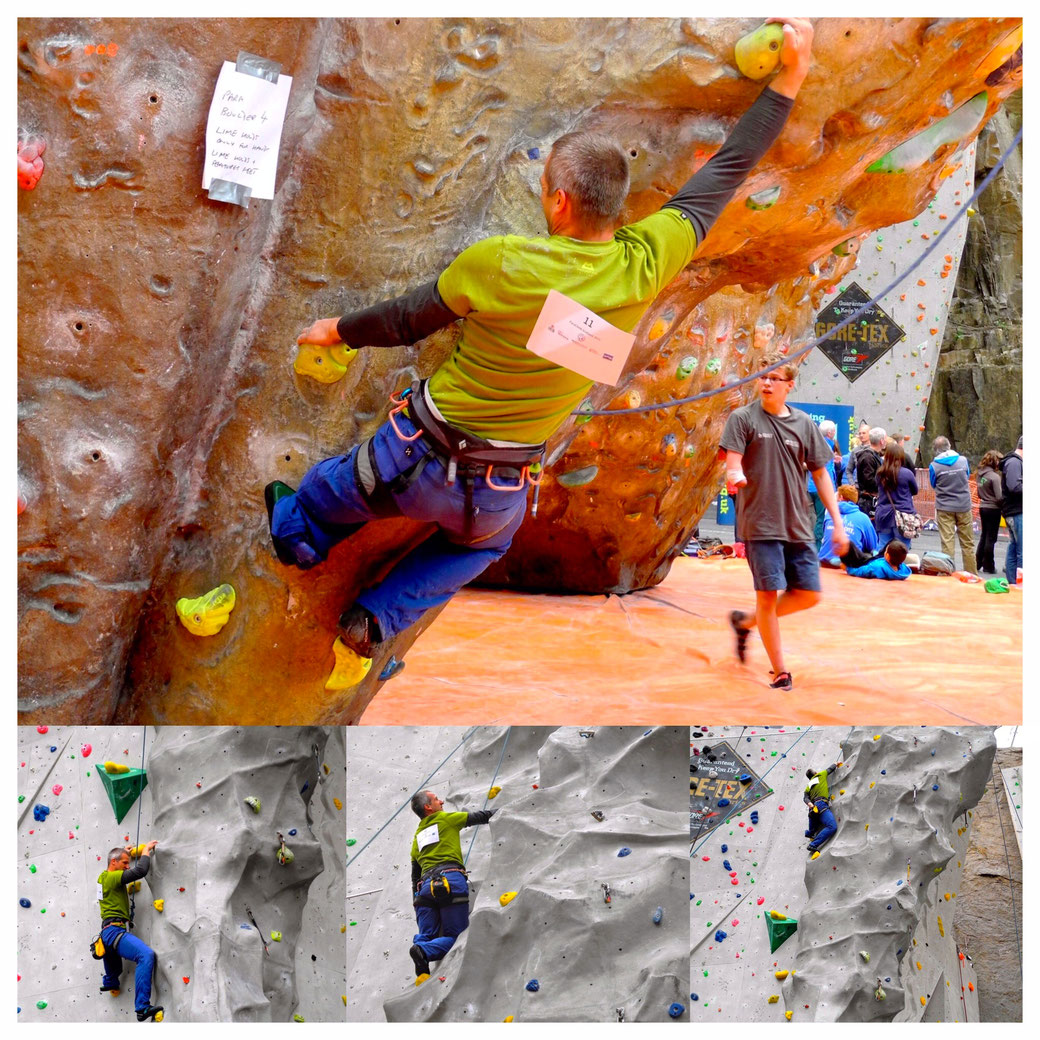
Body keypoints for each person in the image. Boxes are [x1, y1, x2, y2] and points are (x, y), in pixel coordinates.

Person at [264, 19, 818, 682]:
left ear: (557, 200)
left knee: (334, 488)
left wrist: (336, 330)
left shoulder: (499, 263)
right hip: (494, 497)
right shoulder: (647, 260)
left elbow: (409, 318)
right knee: (478, 549)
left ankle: (298, 533)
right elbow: (728, 169)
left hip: (406, 458)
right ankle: (375, 618)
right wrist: (788, 81)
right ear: (618, 209)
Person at [722, 350, 848, 691]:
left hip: (798, 522)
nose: (766, 383)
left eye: (773, 378)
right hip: (760, 523)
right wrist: (735, 475)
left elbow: (821, 474)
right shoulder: (742, 419)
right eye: (762, 376)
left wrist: (837, 522)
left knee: (808, 594)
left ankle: (745, 622)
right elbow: (732, 462)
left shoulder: (804, 424)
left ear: (789, 385)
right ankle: (780, 671)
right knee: (767, 595)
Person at [408, 790, 496, 977]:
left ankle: (421, 952)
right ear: (428, 807)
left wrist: (417, 902)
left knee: (426, 936)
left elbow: (414, 877)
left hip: (424, 890)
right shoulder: (445, 819)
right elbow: (481, 817)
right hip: (450, 881)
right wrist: (506, 810)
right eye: (436, 799)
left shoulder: (417, 838)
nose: (441, 801)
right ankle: (424, 952)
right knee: (456, 937)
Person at [97, 841, 163, 1022]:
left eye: (128, 863)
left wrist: (123, 854)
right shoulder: (112, 878)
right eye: (125, 863)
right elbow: (140, 871)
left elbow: (120, 865)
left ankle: (110, 982)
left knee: (114, 964)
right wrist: (146, 851)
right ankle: (142, 1007)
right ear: (113, 863)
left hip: (106, 935)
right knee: (145, 955)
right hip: (114, 931)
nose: (128, 867)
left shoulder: (102, 879)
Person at [928, 436, 977, 574]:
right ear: (949, 445)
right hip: (964, 505)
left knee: (947, 542)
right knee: (968, 544)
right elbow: (966, 476)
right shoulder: (963, 461)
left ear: (936, 450)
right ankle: (972, 574)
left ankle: (948, 574)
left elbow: (933, 484)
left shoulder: (934, 466)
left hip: (944, 507)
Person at [819, 485, 878, 567]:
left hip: (824, 562)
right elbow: (873, 547)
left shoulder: (829, 513)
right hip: (847, 565)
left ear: (841, 497)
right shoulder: (863, 518)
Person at [874, 441, 919, 549]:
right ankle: (898, 566)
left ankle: (881, 565)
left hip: (883, 514)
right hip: (903, 515)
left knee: (882, 546)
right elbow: (915, 491)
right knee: (902, 548)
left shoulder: (880, 474)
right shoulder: (907, 474)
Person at [807, 419, 843, 549]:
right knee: (821, 520)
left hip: (810, 488)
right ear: (829, 433)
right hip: (820, 490)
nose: (834, 433)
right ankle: (816, 550)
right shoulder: (826, 446)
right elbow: (825, 473)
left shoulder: (816, 445)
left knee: (812, 520)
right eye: (833, 431)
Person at [975, 449, 1004, 574]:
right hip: (993, 509)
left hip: (983, 507)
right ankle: (989, 565)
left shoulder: (980, 475)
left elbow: (979, 493)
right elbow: (999, 497)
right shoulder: (994, 477)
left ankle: (977, 563)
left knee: (984, 536)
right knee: (991, 538)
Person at [1000, 436, 1023, 584]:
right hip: (1016, 511)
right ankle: (1020, 582)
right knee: (1022, 550)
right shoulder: (1014, 462)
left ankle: (1013, 582)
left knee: (1015, 547)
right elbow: (1014, 486)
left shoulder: (1013, 462)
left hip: (1013, 511)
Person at [803, 764, 839, 854]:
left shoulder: (808, 786)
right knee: (832, 826)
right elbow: (831, 768)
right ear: (815, 773)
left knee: (814, 821)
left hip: (813, 809)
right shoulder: (820, 775)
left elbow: (805, 798)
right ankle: (813, 844)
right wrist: (836, 763)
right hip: (821, 805)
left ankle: (810, 832)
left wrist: (809, 803)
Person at [851, 427, 886, 521]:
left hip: (872, 499)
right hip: (868, 501)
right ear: (882, 441)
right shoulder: (868, 457)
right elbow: (868, 480)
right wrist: (884, 483)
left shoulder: (874, 456)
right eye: (885, 439)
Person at [845, 538, 911, 580]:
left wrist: (848, 568)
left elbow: (860, 572)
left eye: (886, 550)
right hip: (881, 561)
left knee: (849, 545)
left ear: (887, 556)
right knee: (895, 540)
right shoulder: (903, 569)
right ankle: (874, 554)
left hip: (865, 563)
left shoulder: (875, 567)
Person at [843, 421, 872, 486]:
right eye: (860, 433)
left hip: (872, 490)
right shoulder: (855, 451)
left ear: (870, 434)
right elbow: (848, 470)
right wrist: (853, 484)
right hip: (858, 487)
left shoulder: (874, 449)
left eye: (864, 433)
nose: (861, 435)